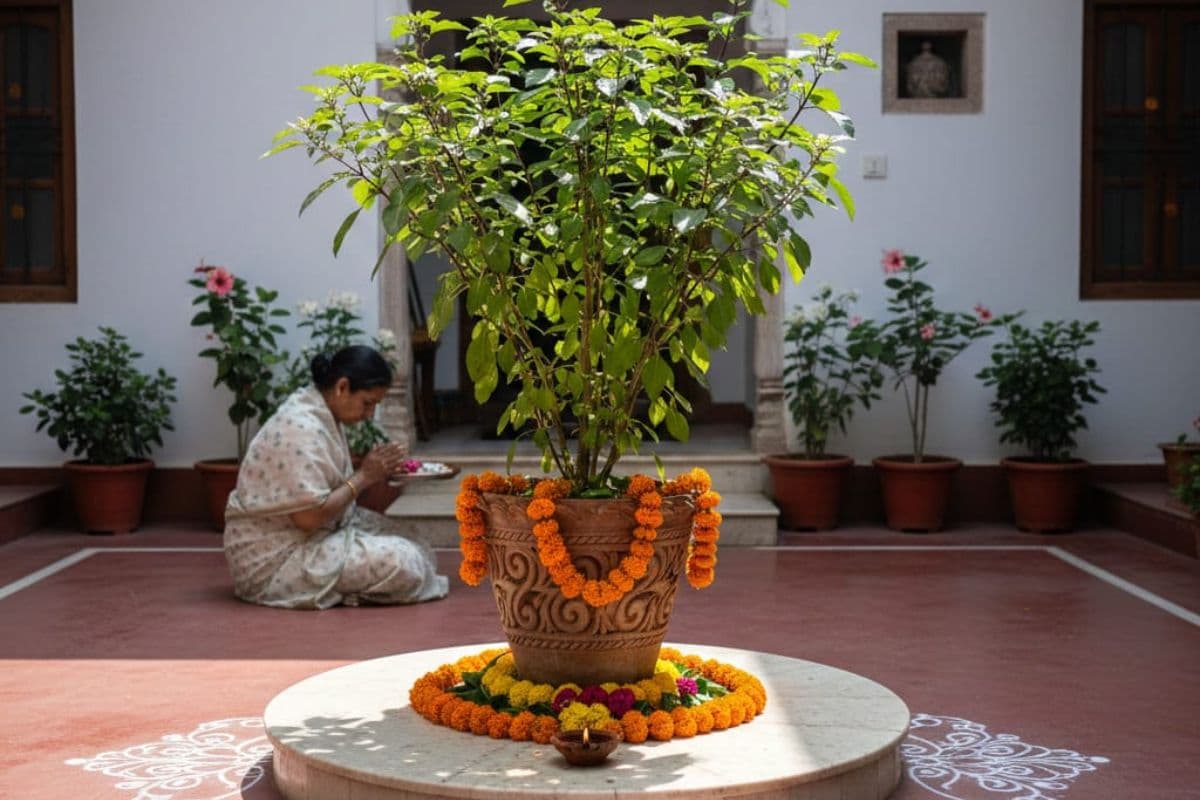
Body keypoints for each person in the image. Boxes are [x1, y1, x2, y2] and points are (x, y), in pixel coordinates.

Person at [223, 345, 449, 609]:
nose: (369, 414)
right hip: (276, 559)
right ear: (342, 387)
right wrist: (365, 475)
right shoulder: (301, 428)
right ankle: (344, 592)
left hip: (318, 534)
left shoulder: (321, 414)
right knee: (405, 562)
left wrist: (378, 473)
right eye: (368, 403)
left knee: (417, 544)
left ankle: (348, 587)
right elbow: (308, 518)